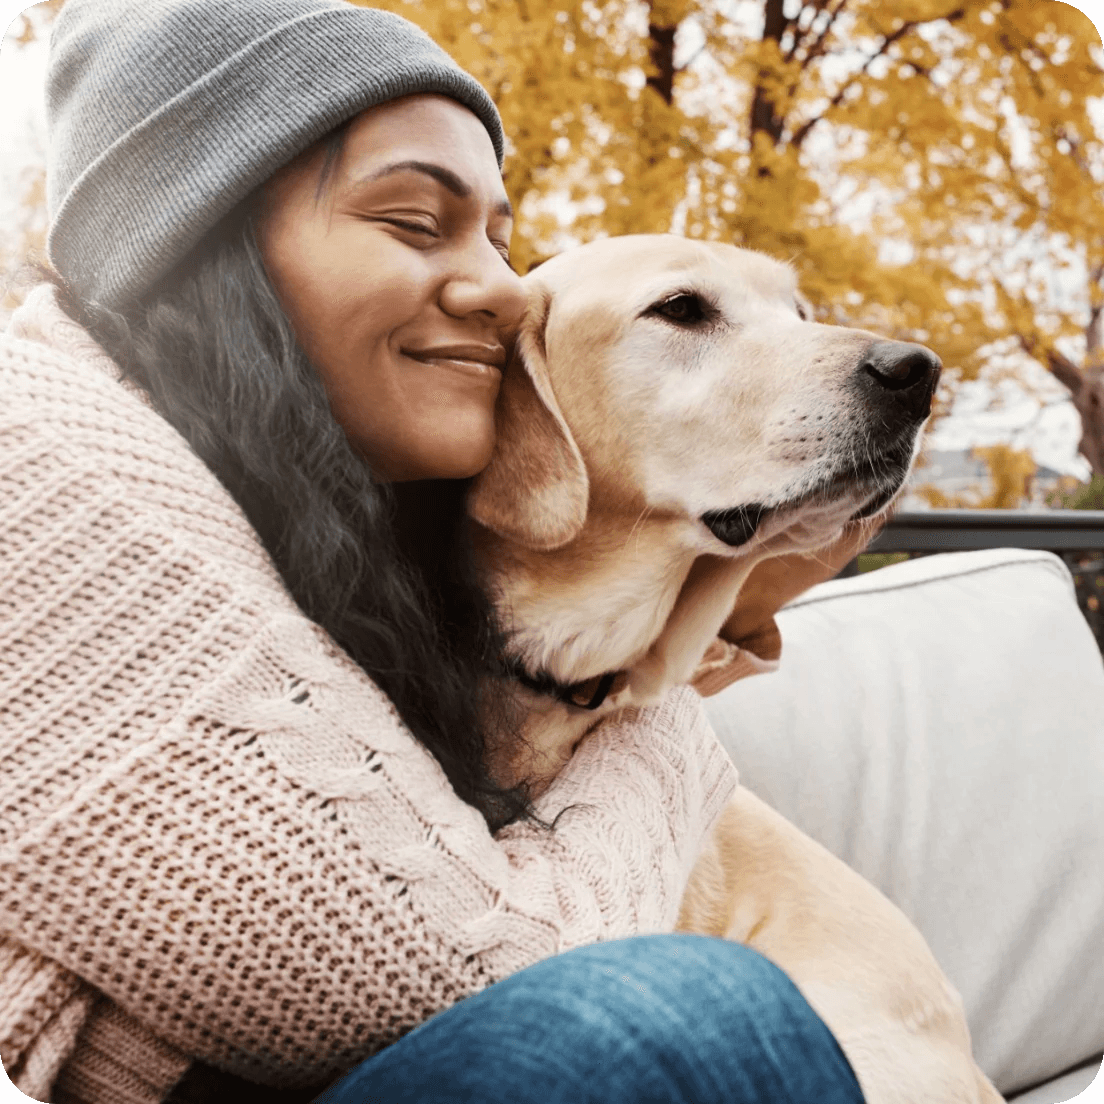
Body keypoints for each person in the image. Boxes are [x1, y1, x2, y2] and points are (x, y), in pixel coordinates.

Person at [0, 1, 869, 1102]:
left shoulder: (311, 521)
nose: (507, 288)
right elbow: (509, 974)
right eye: (416, 220)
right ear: (198, 250)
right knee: (678, 1021)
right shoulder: (44, 461)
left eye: (498, 237)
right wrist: (654, 707)